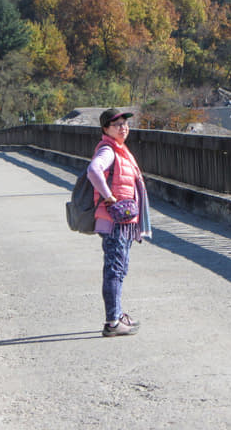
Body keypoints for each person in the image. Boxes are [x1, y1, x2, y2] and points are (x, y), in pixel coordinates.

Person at [87, 108, 152, 337]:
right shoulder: (108, 150)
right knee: (115, 270)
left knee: (119, 268)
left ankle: (117, 314)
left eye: (125, 124)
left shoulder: (120, 150)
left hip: (123, 221)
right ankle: (113, 321)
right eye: (117, 125)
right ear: (106, 129)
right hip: (114, 220)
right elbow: (93, 170)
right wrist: (109, 197)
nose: (123, 128)